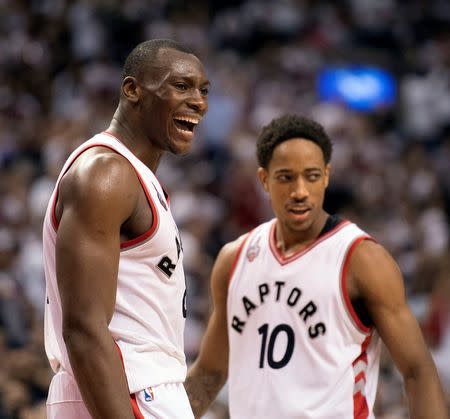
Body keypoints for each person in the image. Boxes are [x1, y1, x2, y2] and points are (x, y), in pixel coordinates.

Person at [185, 114, 448, 418]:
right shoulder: (235, 258)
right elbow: (210, 373)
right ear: (264, 180)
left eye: (311, 176)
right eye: (286, 177)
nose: (300, 191)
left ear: (325, 176)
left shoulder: (361, 259)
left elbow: (417, 370)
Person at [43, 39, 209, 419]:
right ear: (132, 89)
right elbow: (84, 328)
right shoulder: (106, 174)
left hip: (136, 390)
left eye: (203, 90)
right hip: (129, 392)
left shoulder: (132, 177)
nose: (198, 101)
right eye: (181, 86)